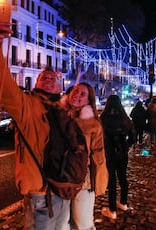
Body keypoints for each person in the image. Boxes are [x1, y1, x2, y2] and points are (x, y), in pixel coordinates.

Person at [0, 22, 85, 229]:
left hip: (63, 188)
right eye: (43, 77)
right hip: (41, 191)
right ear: (36, 83)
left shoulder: (64, 110)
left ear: (59, 85)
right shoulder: (27, 105)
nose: (47, 79)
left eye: (52, 78)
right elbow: (4, 86)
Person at [59, 82, 108, 229]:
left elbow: (98, 154)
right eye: (75, 91)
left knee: (82, 223)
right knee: (61, 225)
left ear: (88, 100)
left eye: (82, 94)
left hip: (83, 180)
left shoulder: (93, 125)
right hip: (59, 178)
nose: (77, 95)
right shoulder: (57, 116)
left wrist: (99, 182)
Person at [100, 95, 134, 220]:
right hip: (122, 153)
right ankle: (124, 203)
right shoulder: (125, 119)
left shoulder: (103, 119)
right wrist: (125, 146)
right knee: (123, 177)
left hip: (109, 153)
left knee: (112, 181)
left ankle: (112, 209)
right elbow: (133, 138)